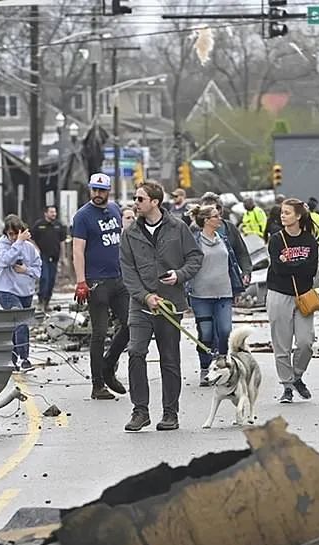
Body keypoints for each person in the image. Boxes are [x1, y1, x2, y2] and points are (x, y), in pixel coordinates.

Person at [119, 180, 202, 432]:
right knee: (135, 352)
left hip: (170, 303)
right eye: (135, 198)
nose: (136, 203)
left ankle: (170, 413)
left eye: (140, 199)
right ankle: (140, 411)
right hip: (140, 305)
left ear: (155, 202)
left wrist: (179, 274)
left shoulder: (178, 228)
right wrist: (145, 296)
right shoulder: (130, 233)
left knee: (169, 358)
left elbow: (195, 257)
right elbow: (128, 270)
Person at [72, 173, 129, 400]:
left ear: (108, 191)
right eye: (94, 190)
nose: (97, 194)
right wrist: (80, 281)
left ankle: (108, 365)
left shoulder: (115, 209)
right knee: (99, 333)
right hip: (96, 282)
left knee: (130, 324)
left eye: (101, 190)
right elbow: (77, 250)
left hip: (118, 278)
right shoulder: (83, 216)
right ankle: (98, 385)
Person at [266, 198, 318, 404]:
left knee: (306, 342)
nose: (283, 216)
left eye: (287, 213)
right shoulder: (277, 240)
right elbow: (278, 269)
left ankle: (297, 375)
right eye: (282, 213)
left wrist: (290, 263)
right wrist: (298, 265)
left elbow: (311, 270)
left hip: (304, 295)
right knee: (282, 344)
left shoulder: (309, 240)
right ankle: (286, 386)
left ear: (298, 216)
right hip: (279, 294)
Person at [188, 204, 246, 386]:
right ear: (206, 221)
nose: (220, 219)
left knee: (225, 330)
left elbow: (232, 264)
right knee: (205, 333)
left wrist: (236, 289)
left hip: (224, 293)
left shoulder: (223, 239)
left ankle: (221, 367)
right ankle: (206, 367)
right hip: (201, 295)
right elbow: (187, 264)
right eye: (216, 216)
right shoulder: (195, 241)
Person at [0, 215, 42, 370]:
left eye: (16, 233)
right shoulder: (2, 245)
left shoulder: (30, 248)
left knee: (18, 325)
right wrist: (19, 242)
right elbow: (4, 261)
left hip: (25, 291)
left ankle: (12, 357)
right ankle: (24, 358)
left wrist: (26, 270)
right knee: (20, 321)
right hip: (6, 290)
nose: (13, 237)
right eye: (10, 234)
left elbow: (38, 270)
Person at [31, 205, 66, 311]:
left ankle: (47, 302)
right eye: (51, 212)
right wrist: (37, 250)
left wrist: (63, 257)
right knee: (44, 278)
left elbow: (62, 242)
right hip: (43, 257)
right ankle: (41, 301)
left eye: (55, 212)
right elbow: (31, 239)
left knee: (51, 280)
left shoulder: (58, 225)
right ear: (46, 213)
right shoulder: (39, 225)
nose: (54, 214)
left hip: (54, 257)